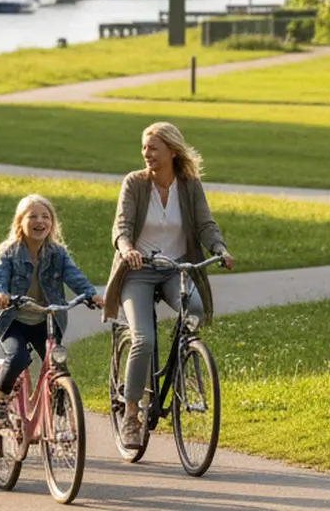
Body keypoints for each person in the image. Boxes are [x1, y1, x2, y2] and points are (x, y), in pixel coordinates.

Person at [102, 122, 235, 447]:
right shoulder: (134, 183)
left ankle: (183, 360)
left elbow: (205, 223)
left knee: (195, 310)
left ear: (172, 152)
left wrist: (219, 248)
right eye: (144, 148)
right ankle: (132, 416)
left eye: (153, 148)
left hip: (177, 270)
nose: (146, 154)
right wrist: (127, 249)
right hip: (139, 270)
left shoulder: (189, 185)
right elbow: (121, 226)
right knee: (143, 340)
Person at [0, 194, 103, 426]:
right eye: (33, 217)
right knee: (18, 357)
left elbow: (73, 275)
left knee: (57, 364)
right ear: (20, 222)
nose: (40, 221)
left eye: (45, 217)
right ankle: (0, 399)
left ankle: (60, 412)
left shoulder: (57, 252)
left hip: (46, 321)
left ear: (52, 223)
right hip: (13, 321)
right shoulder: (8, 251)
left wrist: (91, 294)